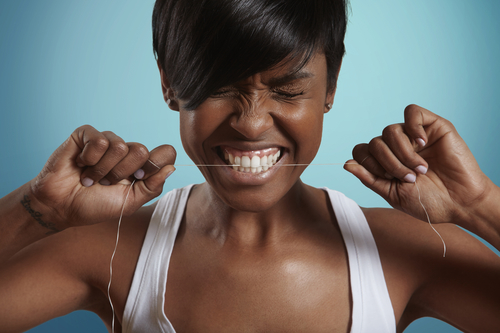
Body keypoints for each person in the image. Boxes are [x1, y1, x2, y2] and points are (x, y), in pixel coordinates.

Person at [1, 0, 499, 332]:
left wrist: (481, 206)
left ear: (330, 88)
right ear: (169, 84)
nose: (252, 123)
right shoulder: (109, 251)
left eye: (287, 91)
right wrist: (36, 210)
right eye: (219, 87)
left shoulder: (408, 251)